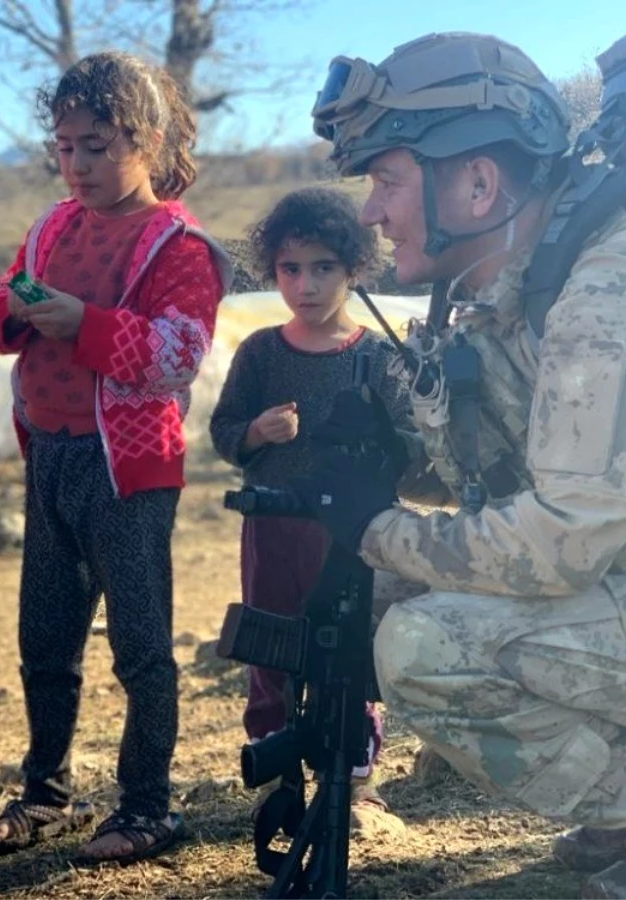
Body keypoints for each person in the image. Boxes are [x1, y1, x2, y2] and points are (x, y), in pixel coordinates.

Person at [307, 28, 626, 900]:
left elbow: (562, 542)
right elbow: (505, 472)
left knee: (430, 644)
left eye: (386, 180)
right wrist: (385, 441)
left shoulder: (620, 284)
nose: (369, 213)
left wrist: (376, 527)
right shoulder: (524, 289)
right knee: (389, 595)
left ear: (476, 183)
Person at [0, 50, 232, 864]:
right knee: (43, 639)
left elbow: (177, 354)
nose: (78, 164)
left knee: (141, 645)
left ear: (148, 140)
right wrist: (12, 314)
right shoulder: (52, 226)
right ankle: (47, 794)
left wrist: (81, 322)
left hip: (128, 472)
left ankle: (148, 807)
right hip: (48, 457)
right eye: (66, 145)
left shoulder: (178, 246)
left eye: (97, 146)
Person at [209, 186, 410, 830]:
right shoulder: (261, 352)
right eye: (290, 269)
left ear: (354, 269)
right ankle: (276, 777)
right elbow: (223, 432)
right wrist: (254, 434)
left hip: (350, 536)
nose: (306, 284)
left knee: (350, 651)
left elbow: (403, 446)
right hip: (272, 526)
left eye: (324, 267)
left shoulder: (375, 356)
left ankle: (351, 778)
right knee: (271, 653)